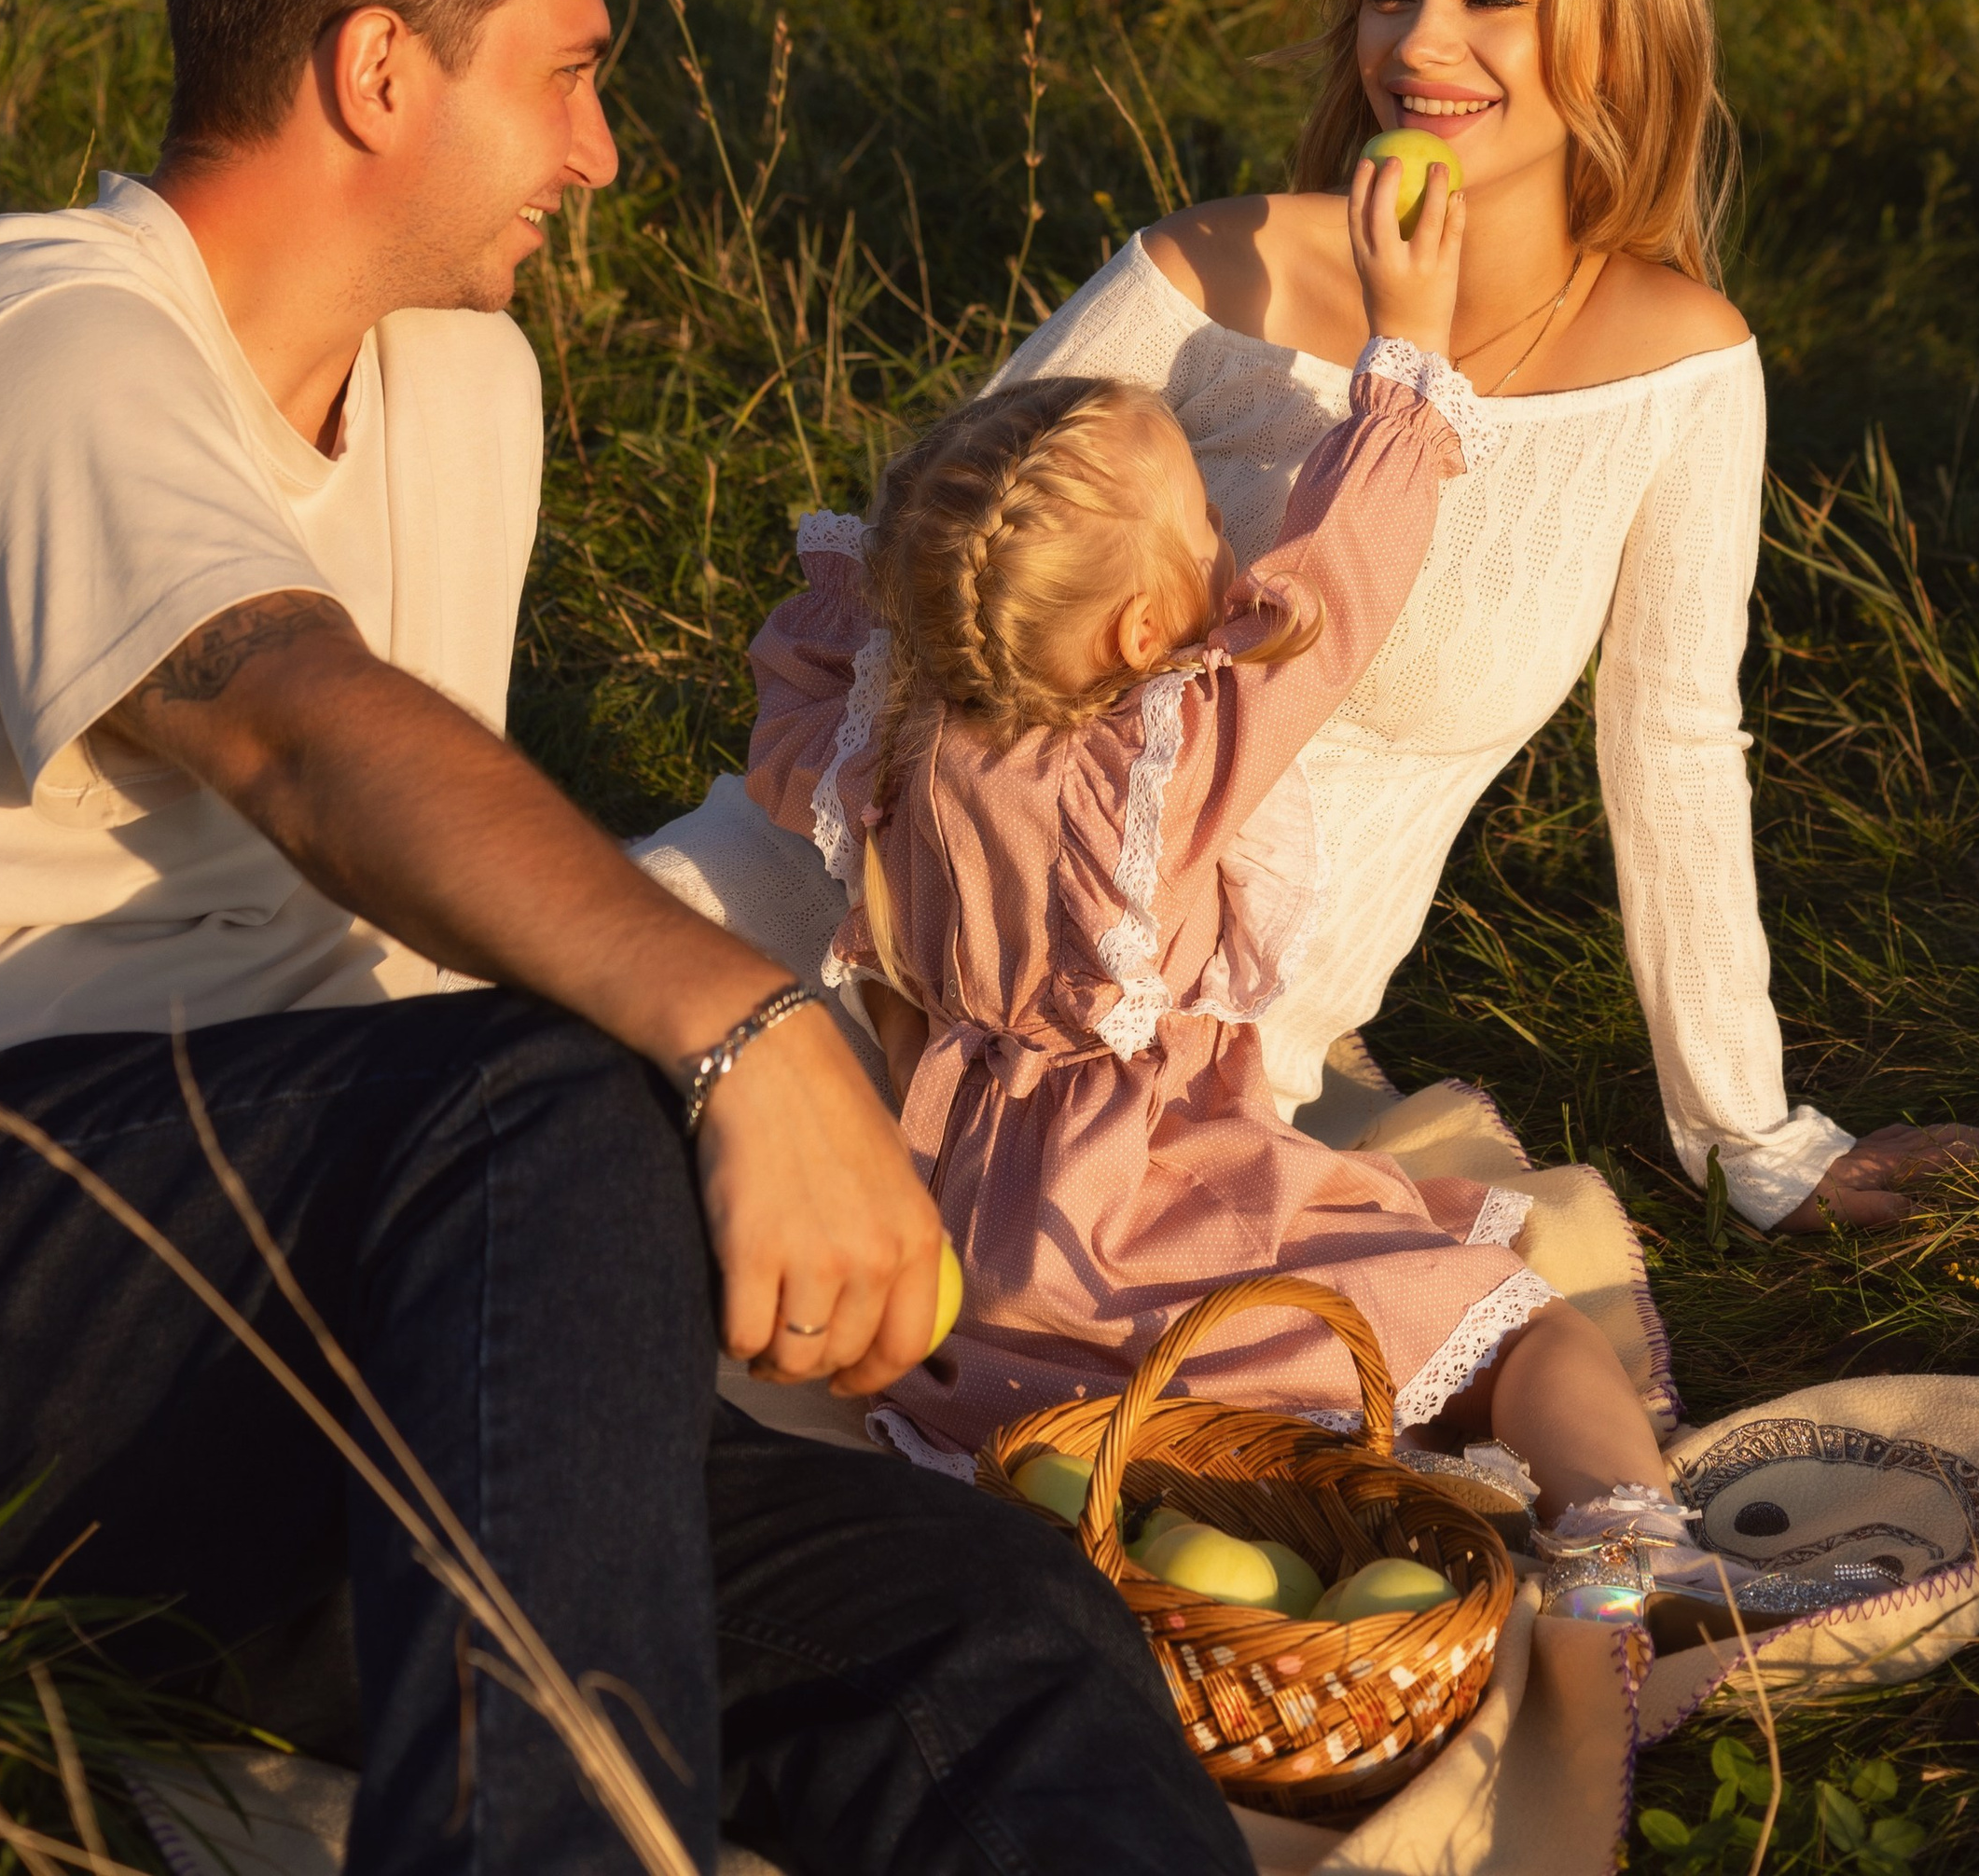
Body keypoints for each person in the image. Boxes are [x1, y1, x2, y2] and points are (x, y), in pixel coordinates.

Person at [0, 0, 1250, 1876]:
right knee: (550, 1089)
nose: (602, 153)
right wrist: (736, 1027)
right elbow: (290, 726)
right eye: (564, 77)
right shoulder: (45, 338)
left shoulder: (469, 382)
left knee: (981, 1616)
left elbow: (422, 913)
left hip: (296, 1312)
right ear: (376, 69)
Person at [650, 0, 1979, 1236]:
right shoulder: (1217, 278)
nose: (1418, 46)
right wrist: (900, 951)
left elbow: (1673, 746)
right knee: (483, 1071)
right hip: (886, 945)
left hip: (1166, 1086)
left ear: (1620, 27)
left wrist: (1758, 1138)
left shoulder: (1678, 367)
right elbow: (918, 574)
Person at [740, 157, 1862, 1637]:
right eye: (1207, 532)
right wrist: (1407, 365)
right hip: (1152, 1198)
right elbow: (1343, 592)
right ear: (1153, 626)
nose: (1234, 551)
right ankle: (1620, 1555)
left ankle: (1163, 1518)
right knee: (1508, 1311)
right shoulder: (1168, 759)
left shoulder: (880, 754)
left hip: (972, 1231)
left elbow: (805, 672)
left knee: (1164, 1428)